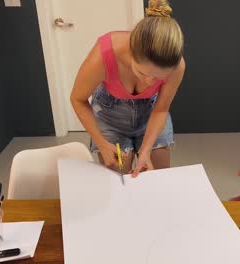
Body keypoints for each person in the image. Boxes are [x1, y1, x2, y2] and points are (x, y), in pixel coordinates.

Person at [70, 0, 185, 177]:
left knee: (157, 175)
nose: (149, 82)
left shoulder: (177, 66)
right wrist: (101, 143)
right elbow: (77, 99)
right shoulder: (104, 54)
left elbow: (161, 109)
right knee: (119, 179)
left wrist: (146, 150)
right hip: (110, 115)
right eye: (143, 72)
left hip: (152, 112)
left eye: (158, 78)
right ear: (131, 52)